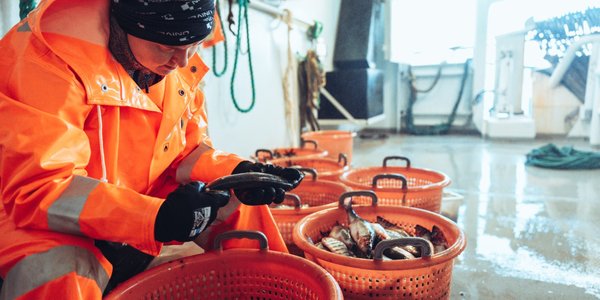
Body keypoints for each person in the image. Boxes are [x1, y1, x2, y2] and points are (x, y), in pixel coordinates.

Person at [0, 0, 303, 298]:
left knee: (239, 201)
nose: (183, 62)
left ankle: (275, 289)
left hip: (135, 201)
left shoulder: (172, 55)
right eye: (167, 48)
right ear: (125, 23)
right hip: (35, 216)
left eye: (195, 45)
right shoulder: (43, 59)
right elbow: (40, 189)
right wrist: (154, 218)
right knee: (54, 270)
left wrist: (237, 171)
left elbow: (185, 151)